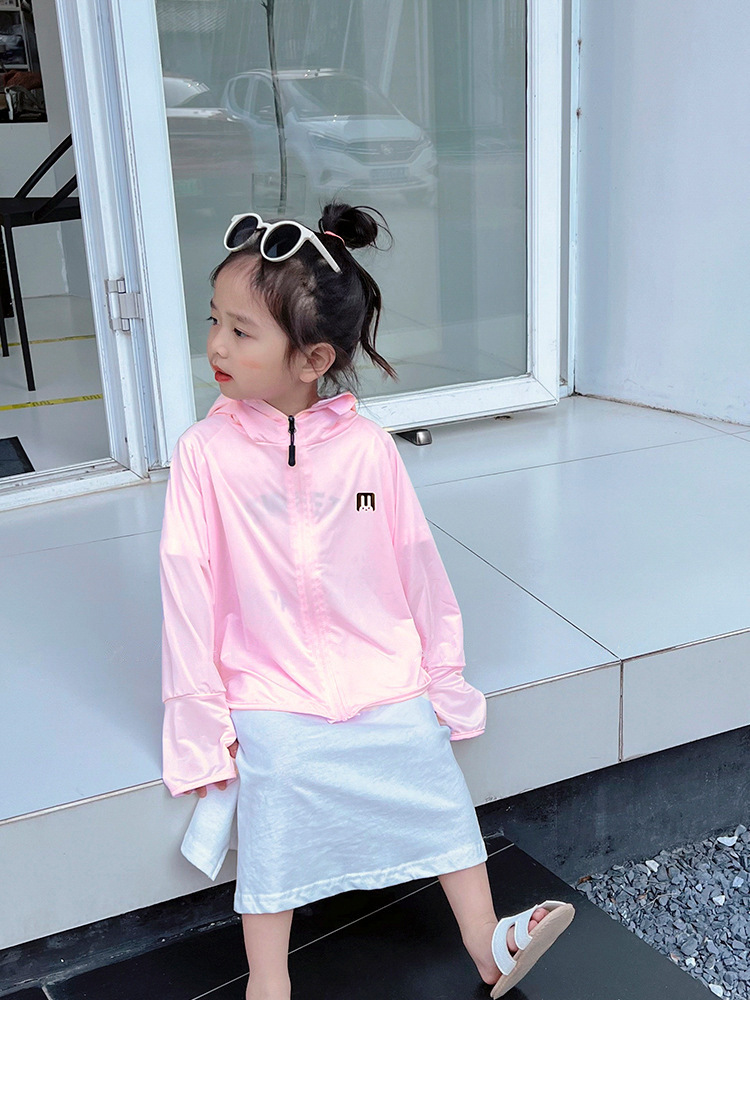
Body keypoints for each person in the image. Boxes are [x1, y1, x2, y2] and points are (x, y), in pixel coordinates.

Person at [158, 202, 574, 1000]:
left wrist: (440, 675)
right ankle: (268, 982)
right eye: (214, 321)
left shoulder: (367, 452)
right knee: (277, 788)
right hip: (270, 679)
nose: (216, 345)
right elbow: (187, 586)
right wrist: (202, 722)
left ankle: (488, 945)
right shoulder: (205, 456)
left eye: (240, 331)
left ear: (312, 359)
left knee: (428, 768)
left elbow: (413, 563)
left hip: (377, 668)